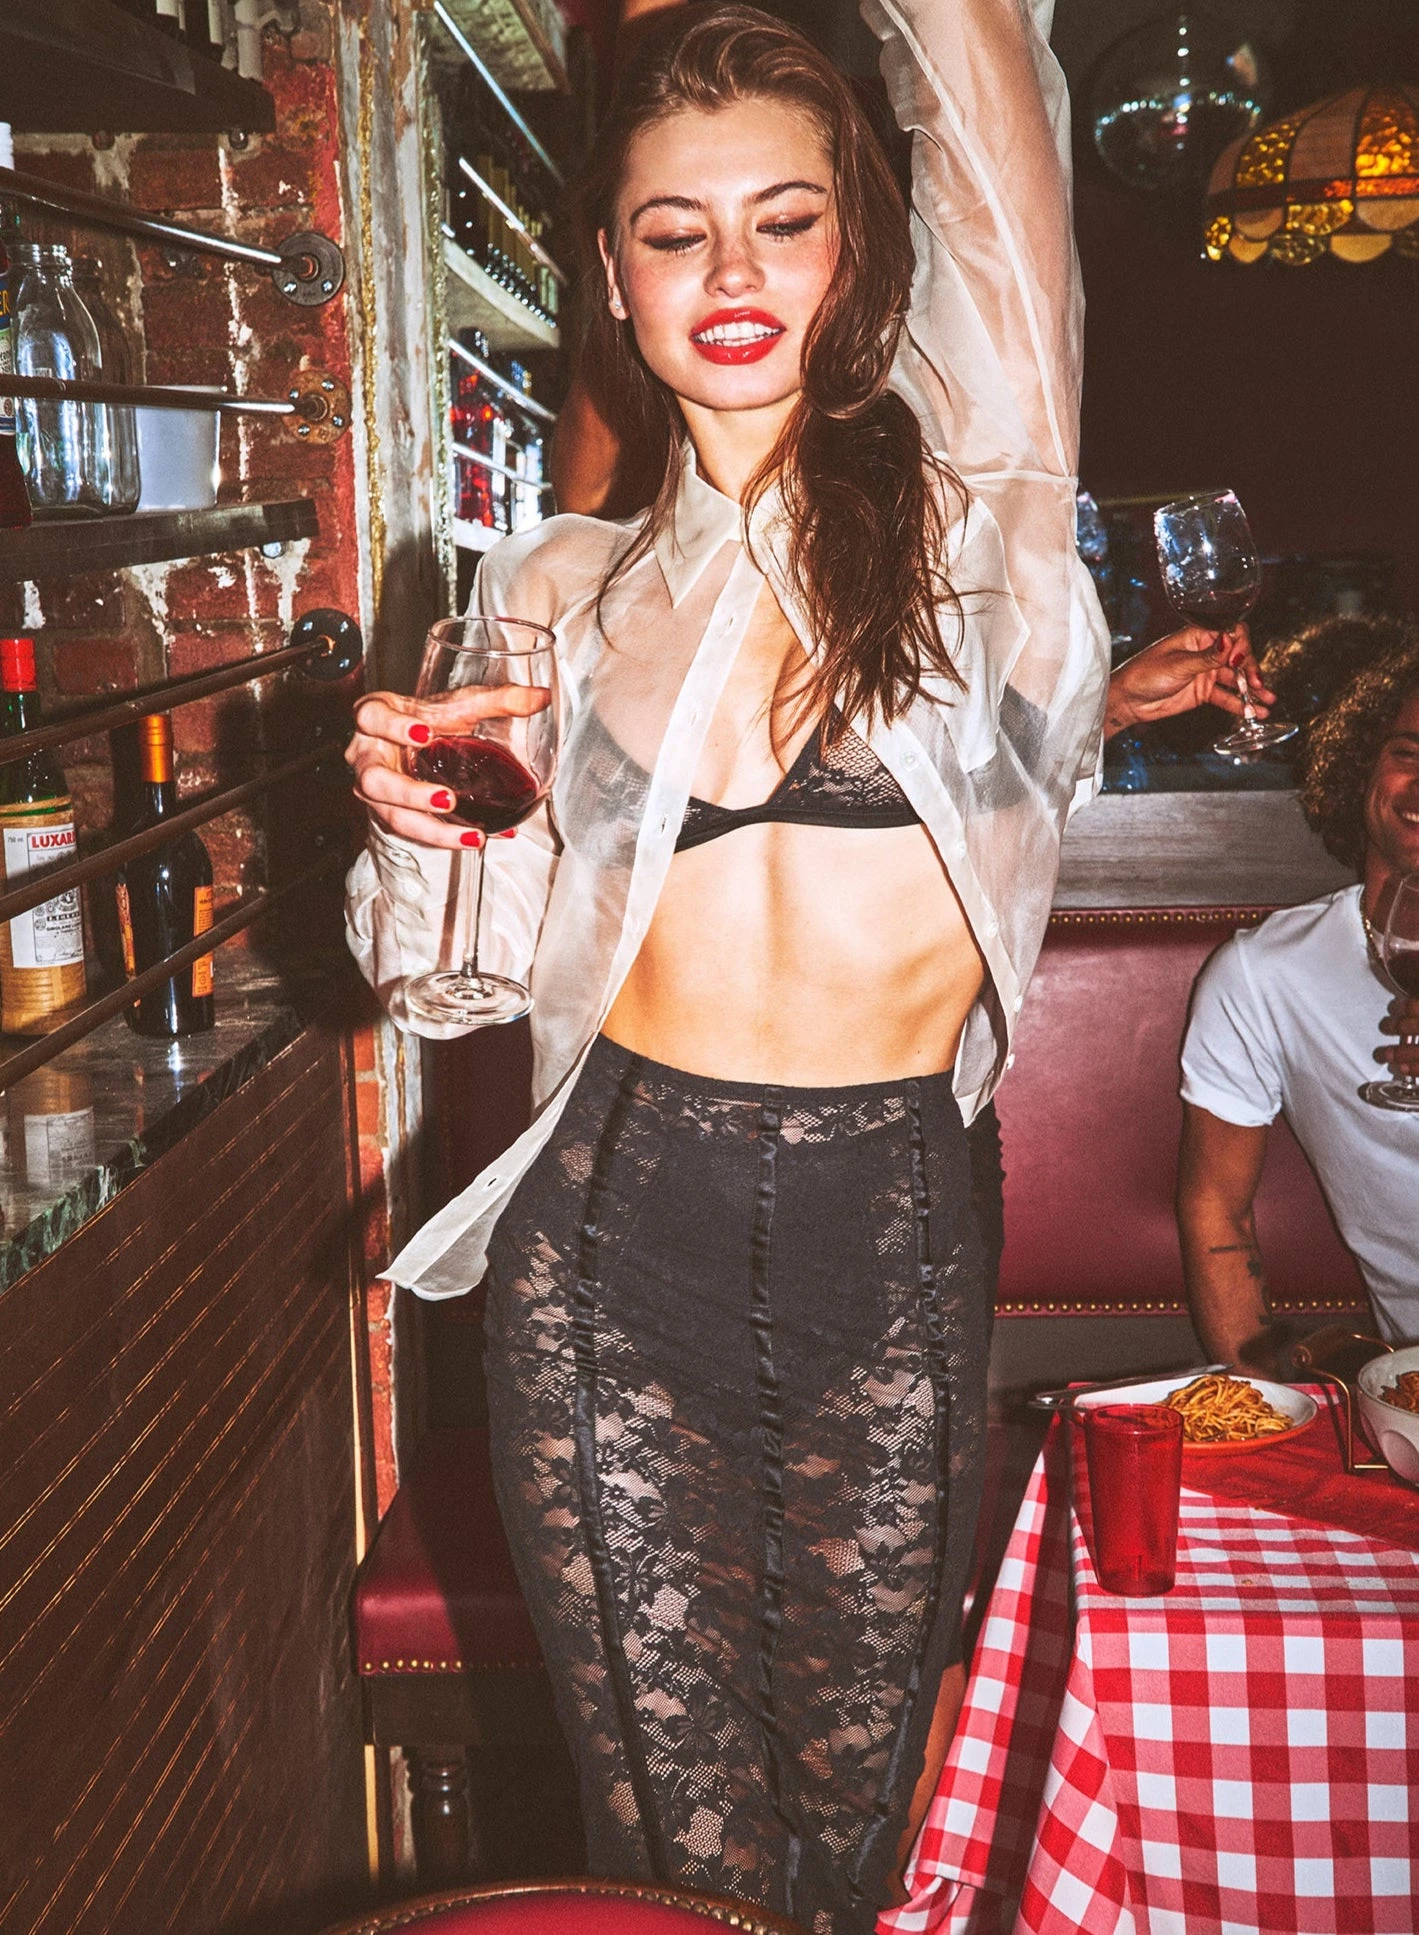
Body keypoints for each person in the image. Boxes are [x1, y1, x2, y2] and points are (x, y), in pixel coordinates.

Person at [347, 4, 1269, 1927]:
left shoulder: (977, 517)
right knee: (669, 1831)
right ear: (611, 275)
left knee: (851, 1824)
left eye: (783, 220)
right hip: (608, 1241)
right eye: (673, 232)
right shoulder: (548, 588)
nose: (731, 274)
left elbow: (987, 104)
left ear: (856, 249)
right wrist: (417, 832)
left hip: (889, 1226)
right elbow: (450, 984)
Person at [1178, 642, 1419, 1367]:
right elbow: (1216, 1209)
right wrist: (1258, 1399)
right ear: (1359, 767)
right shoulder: (1264, 976)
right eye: (1407, 753)